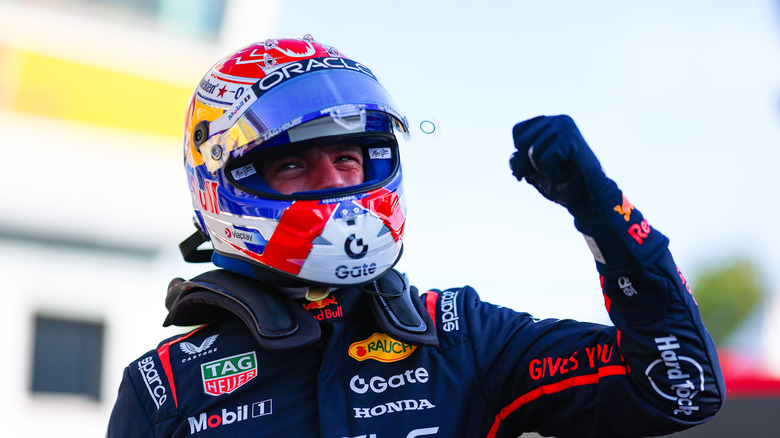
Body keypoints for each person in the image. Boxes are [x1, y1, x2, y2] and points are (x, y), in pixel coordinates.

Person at [106, 35, 724, 438]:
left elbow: (680, 390)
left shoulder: (462, 337)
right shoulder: (165, 388)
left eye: (349, 159)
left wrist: (605, 218)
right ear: (227, 183)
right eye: (294, 165)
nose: (336, 185)